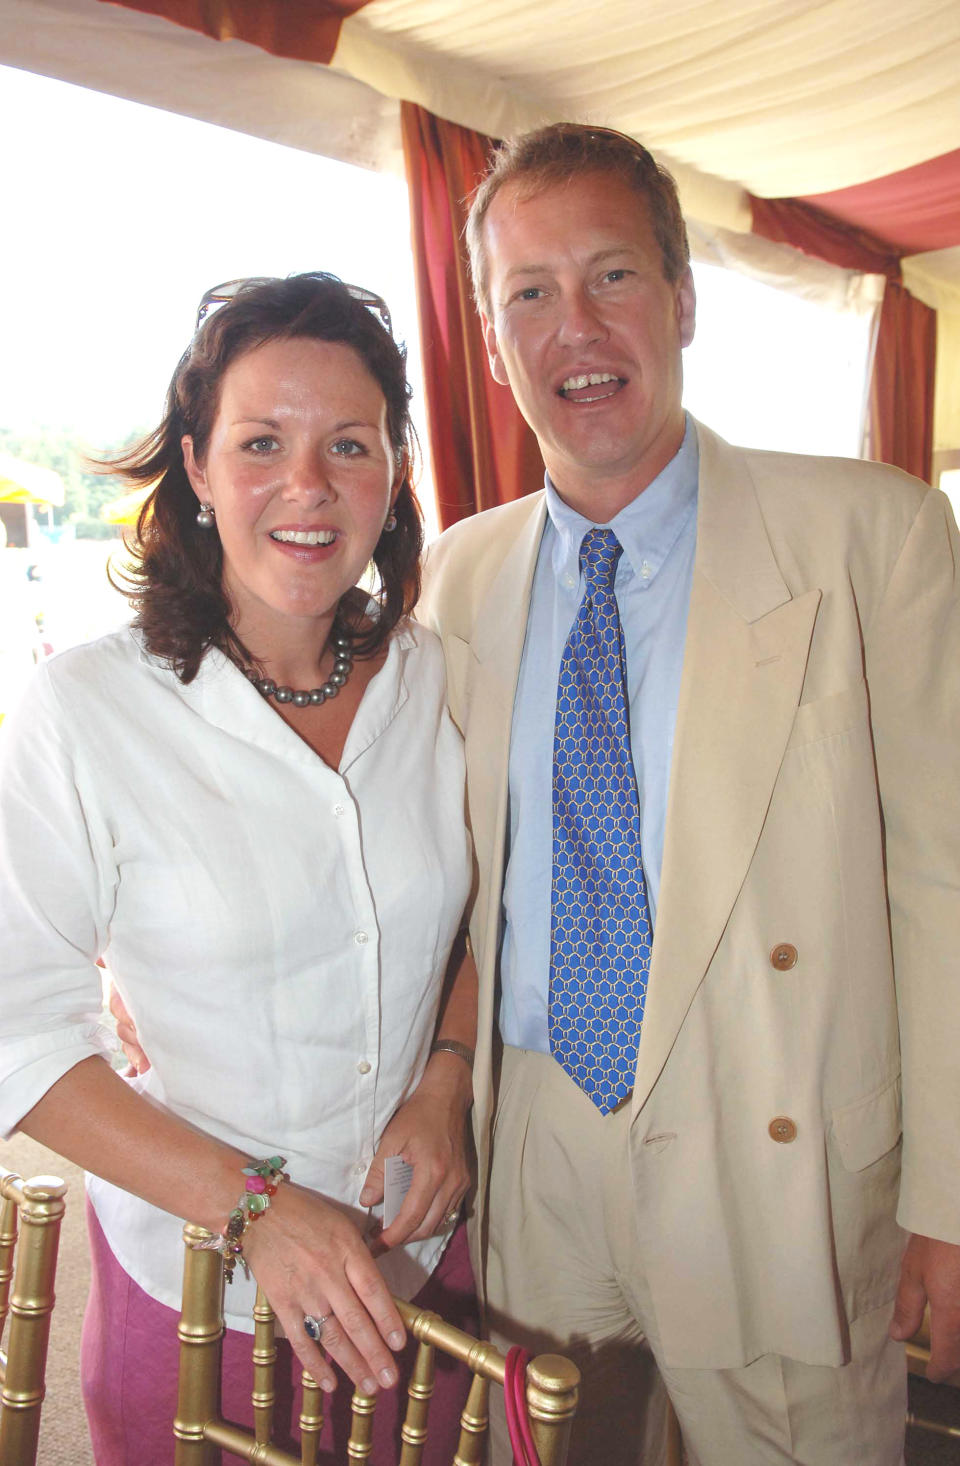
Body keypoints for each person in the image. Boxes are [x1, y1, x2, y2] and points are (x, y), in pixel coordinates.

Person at [417, 124, 960, 1466]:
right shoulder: (459, 575)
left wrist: (949, 1196)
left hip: (773, 1127)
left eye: (612, 275)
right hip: (539, 1131)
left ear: (683, 300)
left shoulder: (871, 533)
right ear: (490, 341)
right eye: (527, 293)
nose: (573, 327)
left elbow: (944, 877)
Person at [0, 273, 478, 1465]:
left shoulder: (439, 677)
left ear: (393, 472)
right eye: (262, 441)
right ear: (199, 469)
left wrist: (447, 1076)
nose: (307, 486)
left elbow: (483, 914)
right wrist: (251, 1204)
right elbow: (17, 1028)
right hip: (198, 1298)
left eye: (349, 444)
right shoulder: (84, 708)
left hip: (424, 1267)